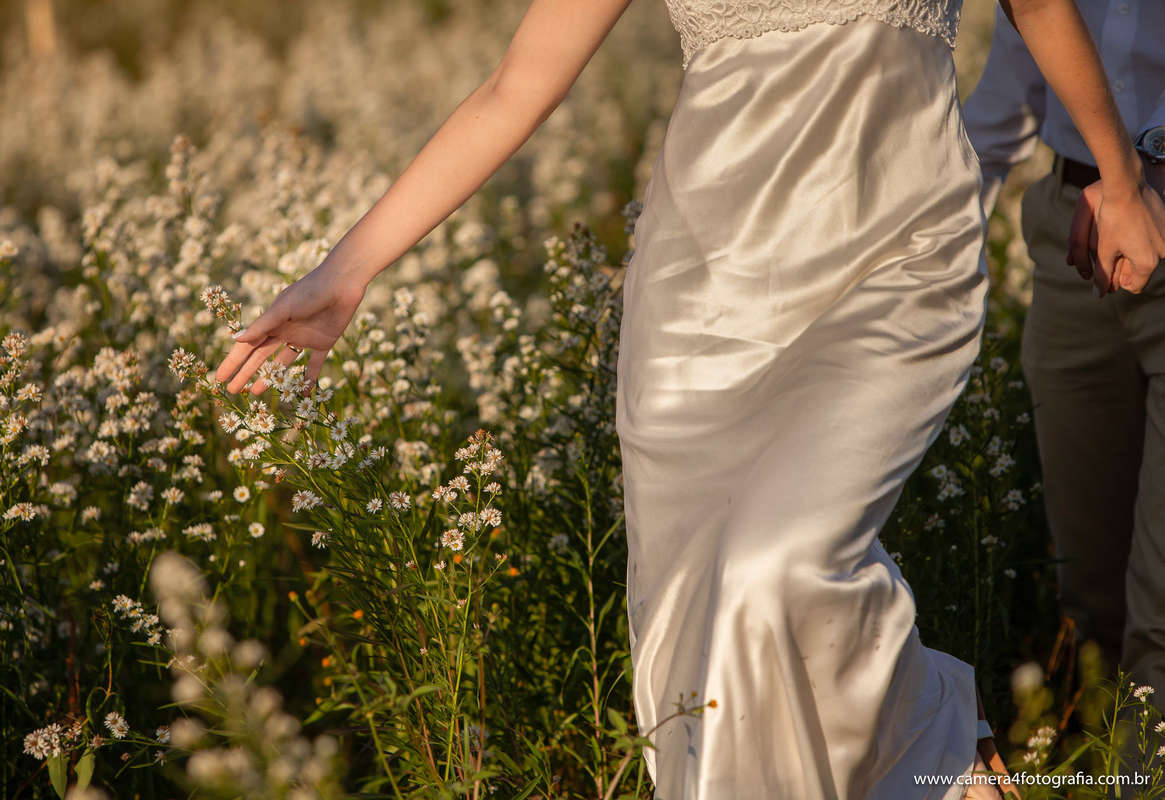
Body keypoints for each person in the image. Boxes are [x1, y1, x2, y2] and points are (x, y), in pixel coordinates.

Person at [215, 0, 1165, 796]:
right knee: (704, 626)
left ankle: (939, 734)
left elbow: (1038, 3)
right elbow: (516, 85)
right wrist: (348, 271)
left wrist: (1119, 179)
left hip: (897, 264)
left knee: (779, 564)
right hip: (703, 300)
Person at [963, 1, 1165, 710]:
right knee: (1088, 579)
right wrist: (939, 229)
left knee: (1163, 602)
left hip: (1132, 193)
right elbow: (1028, 41)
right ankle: (1103, 765)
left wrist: (1140, 170)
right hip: (1073, 227)